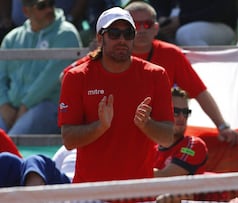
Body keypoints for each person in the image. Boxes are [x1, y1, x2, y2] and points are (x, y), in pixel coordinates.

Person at [58, 6, 174, 187]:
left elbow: (167, 137)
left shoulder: (156, 75)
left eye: (128, 33)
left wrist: (147, 124)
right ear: (99, 38)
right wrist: (101, 126)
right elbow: (69, 140)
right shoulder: (76, 77)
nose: (122, 39)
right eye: (114, 33)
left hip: (138, 193)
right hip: (90, 193)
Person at [124, 1, 238, 146]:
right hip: (123, 133)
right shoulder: (109, 55)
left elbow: (200, 92)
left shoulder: (171, 54)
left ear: (156, 28)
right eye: (135, 25)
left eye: (146, 24)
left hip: (160, 136)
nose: (141, 29)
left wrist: (222, 126)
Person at [0, 0, 82, 135]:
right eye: (42, 6)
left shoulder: (67, 34)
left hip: (49, 106)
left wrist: (25, 106)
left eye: (51, 4)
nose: (49, 10)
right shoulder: (12, 38)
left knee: (12, 141)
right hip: (12, 107)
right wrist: (3, 104)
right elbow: (1, 75)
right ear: (26, 11)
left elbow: (48, 80)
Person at [154, 87, 208, 177]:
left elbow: (164, 177)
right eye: (176, 112)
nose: (182, 117)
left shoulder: (193, 145)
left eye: (186, 112)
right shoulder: (152, 148)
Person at [148, 0, 237, 46]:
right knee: (147, 34)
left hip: (220, 25)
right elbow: (157, 6)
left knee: (186, 34)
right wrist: (161, 18)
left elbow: (221, 10)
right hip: (173, 26)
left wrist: (182, 20)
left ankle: (202, 74)